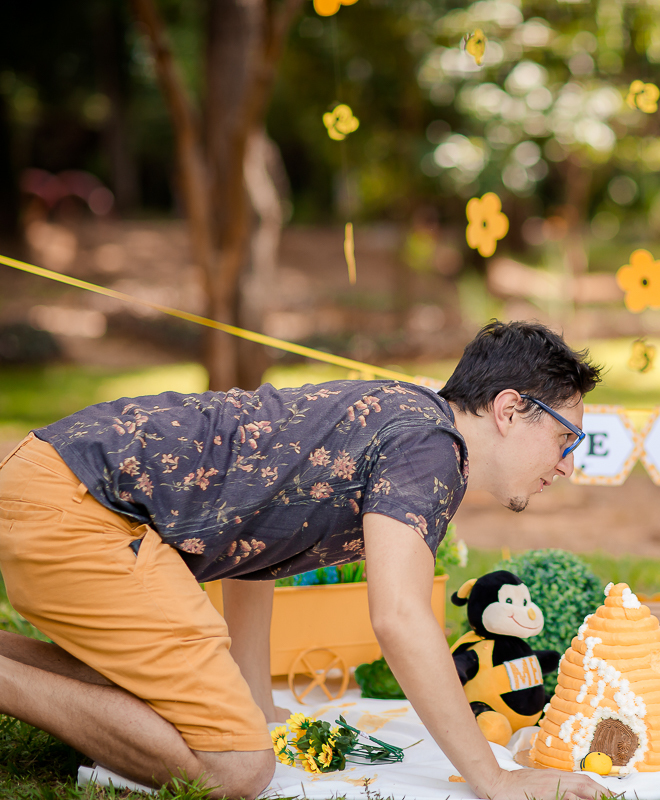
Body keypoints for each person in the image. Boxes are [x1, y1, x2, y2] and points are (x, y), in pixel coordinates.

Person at [0, 320, 607, 800]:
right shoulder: (433, 449)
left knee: (163, 706)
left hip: (55, 482)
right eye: (566, 438)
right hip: (84, 509)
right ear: (508, 410)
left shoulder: (405, 415)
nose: (567, 465)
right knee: (237, 766)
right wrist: (495, 779)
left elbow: (254, 538)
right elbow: (399, 617)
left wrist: (255, 703)